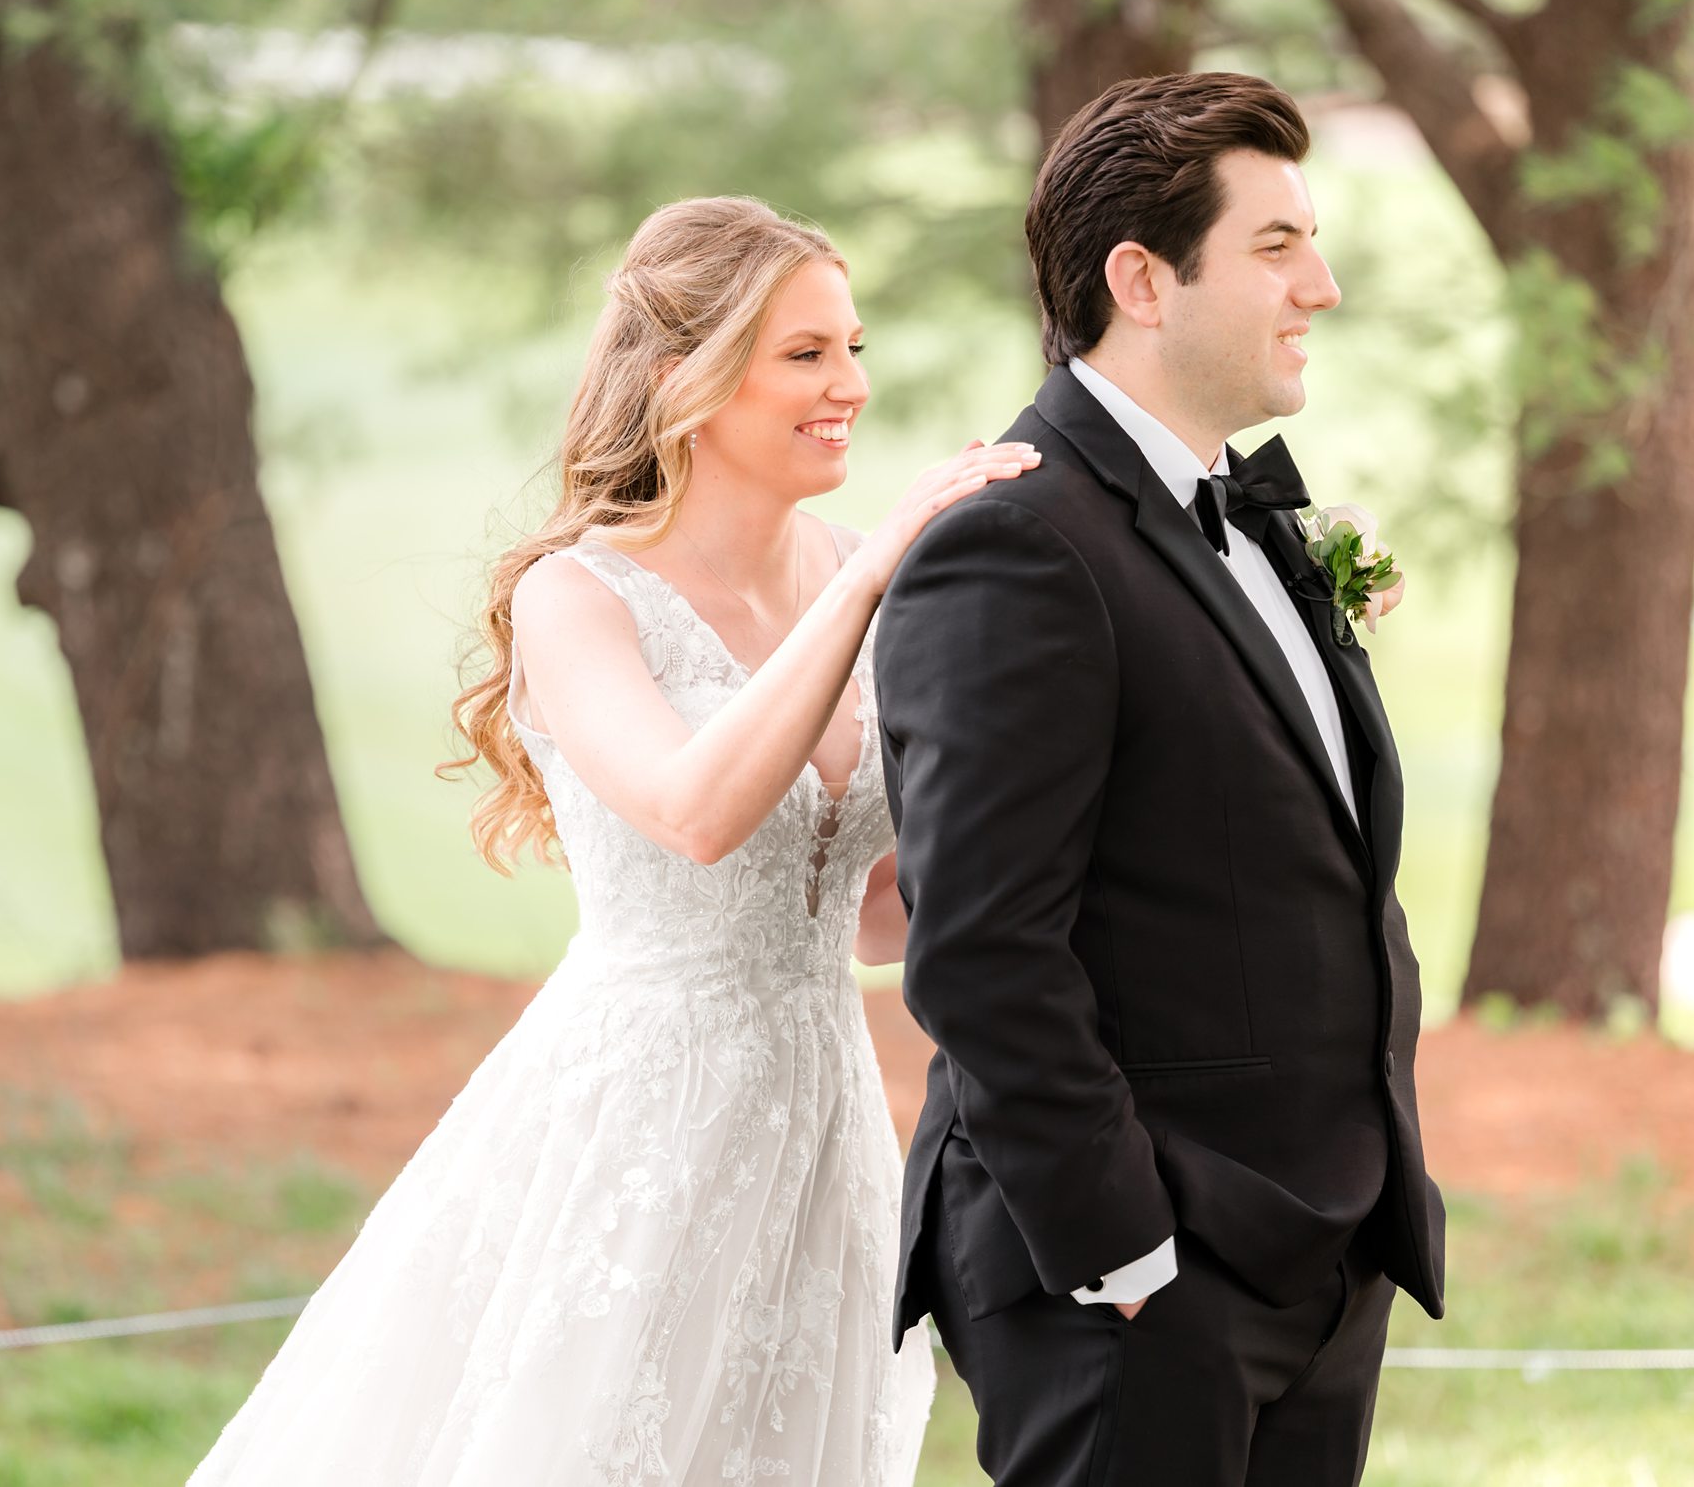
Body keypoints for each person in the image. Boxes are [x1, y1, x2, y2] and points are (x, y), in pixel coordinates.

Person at [188, 195, 1036, 1485]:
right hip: (642, 1111)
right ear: (685, 377)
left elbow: (868, 909)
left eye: (853, 347)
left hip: (825, 1117)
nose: (850, 385)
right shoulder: (577, 596)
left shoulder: (872, 567)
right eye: (806, 353)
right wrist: (870, 586)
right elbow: (696, 814)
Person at [875, 72, 1446, 1486]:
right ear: (1142, 277)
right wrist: (1127, 1251)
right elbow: (983, 946)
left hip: (1316, 1250)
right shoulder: (1015, 542)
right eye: (1275, 246)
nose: (1320, 284)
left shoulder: (1245, 524)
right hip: (1141, 1280)